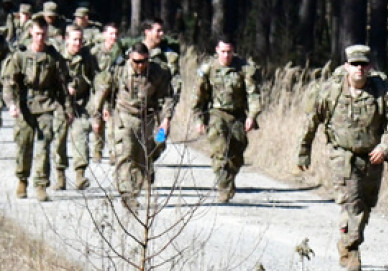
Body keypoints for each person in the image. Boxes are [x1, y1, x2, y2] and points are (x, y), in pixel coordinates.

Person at [296, 44, 388, 271]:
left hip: (372, 156)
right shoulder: (330, 91)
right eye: (354, 64)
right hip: (342, 155)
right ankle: (353, 249)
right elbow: (311, 121)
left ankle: (344, 243)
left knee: (365, 205)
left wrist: (385, 147)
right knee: (352, 202)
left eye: (363, 64)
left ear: (370, 67)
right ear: (346, 66)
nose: (359, 69)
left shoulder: (383, 93)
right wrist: (303, 151)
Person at [90, 42, 175, 209]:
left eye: (144, 61)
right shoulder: (119, 70)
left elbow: (166, 97)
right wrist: (98, 115)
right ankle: (128, 195)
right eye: (136, 61)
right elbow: (103, 91)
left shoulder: (158, 72)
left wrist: (166, 120)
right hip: (124, 117)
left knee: (151, 149)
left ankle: (143, 175)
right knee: (126, 154)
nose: (141, 65)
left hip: (148, 118)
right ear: (130, 58)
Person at [1, 16, 69, 201]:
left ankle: (41, 184)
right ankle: (22, 179)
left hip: (45, 104)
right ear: (31, 32)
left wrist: (67, 109)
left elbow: (62, 85)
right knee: (24, 145)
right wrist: (11, 104)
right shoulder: (20, 55)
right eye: (37, 34)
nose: (40, 38)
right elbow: (8, 82)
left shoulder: (53, 57)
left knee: (44, 145)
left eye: (43, 34)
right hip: (24, 106)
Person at [192, 37, 262, 203]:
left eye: (229, 52)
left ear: (234, 51)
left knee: (237, 155)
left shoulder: (243, 68)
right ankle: (224, 188)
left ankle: (229, 180)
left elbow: (253, 94)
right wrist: (198, 118)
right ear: (217, 50)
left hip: (237, 115)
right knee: (221, 151)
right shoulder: (208, 69)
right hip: (216, 113)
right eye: (223, 51)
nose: (226, 55)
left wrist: (252, 116)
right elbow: (199, 96)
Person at [60, 24, 99, 189]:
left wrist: (96, 104)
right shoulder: (58, 58)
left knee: (81, 135)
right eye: (74, 39)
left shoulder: (88, 58)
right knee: (58, 140)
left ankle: (80, 174)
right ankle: (59, 174)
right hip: (59, 104)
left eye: (80, 40)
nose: (78, 43)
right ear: (67, 39)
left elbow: (96, 79)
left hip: (81, 103)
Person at [90, 23, 122, 162]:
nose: (113, 37)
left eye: (116, 34)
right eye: (111, 34)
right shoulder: (96, 52)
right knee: (98, 123)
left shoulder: (119, 52)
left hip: (113, 91)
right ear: (104, 35)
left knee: (111, 123)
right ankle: (97, 149)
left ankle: (113, 152)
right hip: (98, 91)